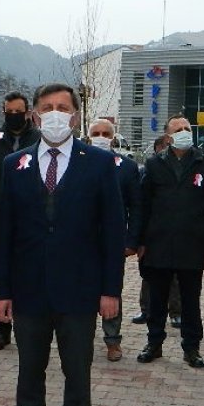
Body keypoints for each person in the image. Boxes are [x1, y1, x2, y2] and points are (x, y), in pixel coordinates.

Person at [0, 83, 124, 406]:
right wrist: (2, 291)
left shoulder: (99, 163)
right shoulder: (14, 164)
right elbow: (4, 233)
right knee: (29, 373)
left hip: (80, 291)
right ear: (35, 115)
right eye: (47, 107)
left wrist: (111, 291)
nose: (55, 113)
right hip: (29, 290)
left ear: (75, 116)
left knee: (77, 374)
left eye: (63, 107)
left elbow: (112, 232)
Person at [136, 116, 204, 368]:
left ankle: (191, 348)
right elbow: (143, 205)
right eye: (178, 129)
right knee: (157, 299)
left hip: (192, 244)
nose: (184, 132)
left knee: (191, 300)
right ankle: (154, 343)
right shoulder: (154, 164)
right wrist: (140, 241)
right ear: (168, 137)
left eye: (187, 128)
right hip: (159, 243)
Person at [0, 91, 42, 352]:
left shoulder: (40, 139)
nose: (14, 116)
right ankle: (1, 330)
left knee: (29, 278)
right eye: (9, 112)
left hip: (31, 220)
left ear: (28, 112)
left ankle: (29, 329)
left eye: (18, 112)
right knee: (1, 276)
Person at [86, 118, 142, 362]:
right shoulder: (77, 162)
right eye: (96, 133)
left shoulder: (127, 167)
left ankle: (112, 340)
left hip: (113, 241)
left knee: (112, 290)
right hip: (81, 241)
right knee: (82, 290)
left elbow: (136, 207)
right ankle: (81, 338)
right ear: (89, 137)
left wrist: (132, 240)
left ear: (113, 137)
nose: (101, 137)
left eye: (106, 133)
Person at [133, 134, 182, 328]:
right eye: (165, 146)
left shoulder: (181, 169)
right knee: (148, 275)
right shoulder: (148, 170)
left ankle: (176, 312)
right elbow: (141, 203)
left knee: (175, 277)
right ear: (157, 149)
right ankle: (146, 310)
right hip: (153, 231)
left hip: (175, 231)